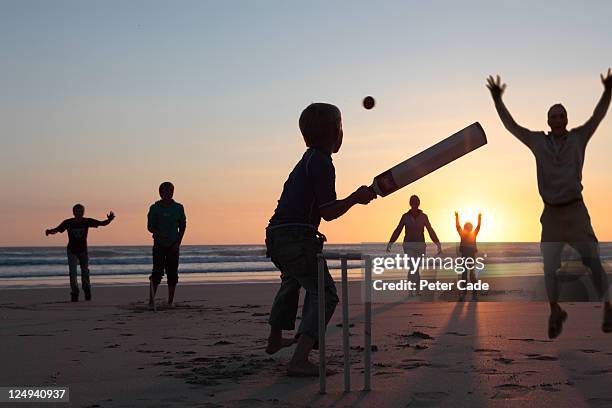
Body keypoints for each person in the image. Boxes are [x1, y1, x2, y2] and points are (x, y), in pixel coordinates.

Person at [487, 70, 612, 338]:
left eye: (561, 115)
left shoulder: (579, 137)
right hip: (552, 214)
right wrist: (497, 100)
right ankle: (555, 310)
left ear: (567, 119)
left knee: (592, 261)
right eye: (553, 116)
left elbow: (598, 116)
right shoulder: (537, 141)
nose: (557, 119)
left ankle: (609, 307)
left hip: (576, 210)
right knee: (549, 266)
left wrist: (607, 90)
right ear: (548, 120)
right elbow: (511, 126)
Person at [265, 102, 376, 377]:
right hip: (297, 238)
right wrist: (355, 199)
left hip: (276, 235)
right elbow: (328, 212)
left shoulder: (306, 160)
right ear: (336, 134)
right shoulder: (322, 163)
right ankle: (299, 360)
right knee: (325, 294)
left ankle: (275, 339)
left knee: (291, 282)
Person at [45, 204, 115, 302]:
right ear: (73, 212)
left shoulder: (87, 221)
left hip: (83, 251)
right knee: (73, 274)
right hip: (72, 251)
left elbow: (101, 223)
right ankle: (75, 293)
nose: (79, 213)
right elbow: (57, 230)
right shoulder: (68, 222)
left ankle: (87, 292)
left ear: (83, 212)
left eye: (81, 211)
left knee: (85, 272)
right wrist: (49, 231)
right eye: (77, 211)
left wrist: (109, 220)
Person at [386, 195, 442, 295]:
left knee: (416, 268)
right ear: (410, 203)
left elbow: (430, 230)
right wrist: (391, 242)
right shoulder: (405, 216)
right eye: (413, 202)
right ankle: (412, 290)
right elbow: (398, 230)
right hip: (408, 245)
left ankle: (416, 289)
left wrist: (437, 243)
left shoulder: (424, 217)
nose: (414, 204)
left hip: (420, 245)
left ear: (418, 203)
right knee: (413, 267)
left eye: (416, 202)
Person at [147, 182, 186, 310]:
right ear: (160, 193)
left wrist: (178, 243)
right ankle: (151, 301)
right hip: (159, 244)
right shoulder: (155, 207)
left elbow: (183, 226)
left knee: (172, 273)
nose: (168, 193)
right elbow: (150, 227)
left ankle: (170, 301)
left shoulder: (179, 207)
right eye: (165, 191)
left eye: (170, 191)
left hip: (173, 245)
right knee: (157, 272)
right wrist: (159, 232)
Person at [455, 211, 481, 301]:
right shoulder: (464, 234)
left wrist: (479, 218)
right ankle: (467, 291)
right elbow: (458, 227)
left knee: (469, 274)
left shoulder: (472, 234)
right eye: (467, 227)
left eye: (468, 227)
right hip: (467, 256)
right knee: (466, 274)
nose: (468, 228)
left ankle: (471, 291)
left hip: (470, 256)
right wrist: (457, 217)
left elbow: (478, 227)